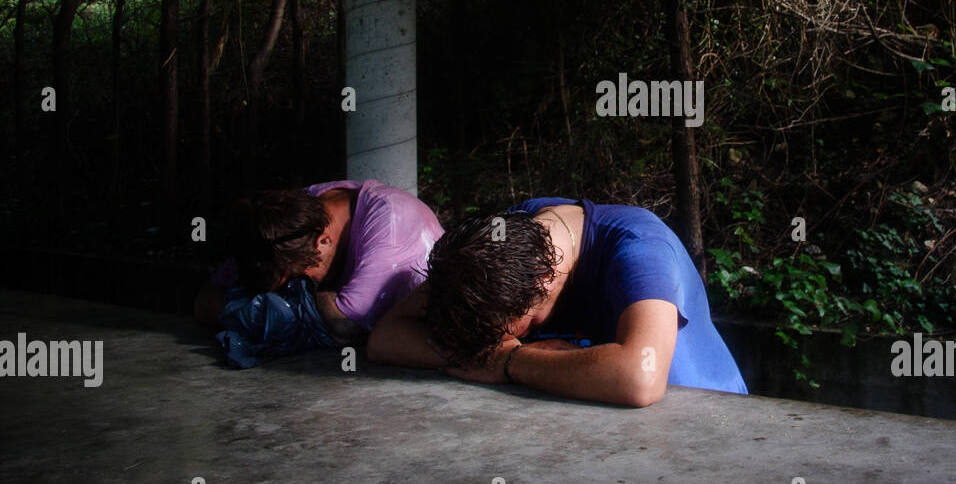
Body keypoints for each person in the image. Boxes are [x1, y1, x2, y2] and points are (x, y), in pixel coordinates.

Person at [366, 197, 747, 406]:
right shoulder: (497, 245)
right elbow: (387, 336)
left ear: (545, 280)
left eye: (524, 328)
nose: (502, 340)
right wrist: (496, 352)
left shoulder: (641, 250)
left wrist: (508, 360)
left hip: (704, 416)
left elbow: (640, 379)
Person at [194, 180, 444, 345]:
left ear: (323, 240)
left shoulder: (392, 225)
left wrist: (255, 311)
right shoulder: (287, 219)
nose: (295, 288)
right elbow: (206, 302)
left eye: (299, 277)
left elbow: (346, 328)